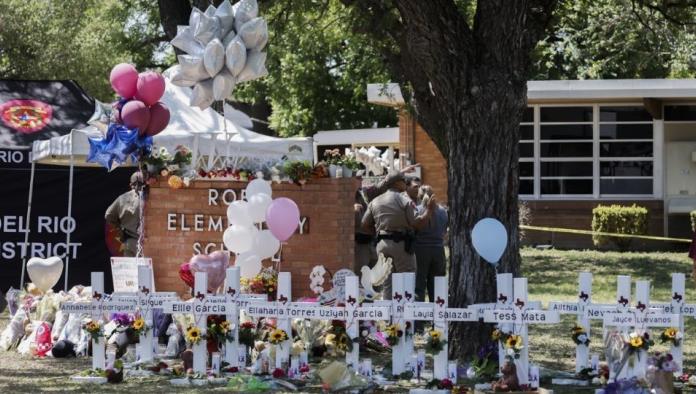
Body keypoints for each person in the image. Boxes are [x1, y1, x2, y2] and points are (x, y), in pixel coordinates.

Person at [361, 172, 435, 299]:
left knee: (387, 282)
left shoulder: (375, 201)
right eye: (403, 181)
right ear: (396, 183)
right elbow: (416, 224)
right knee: (407, 280)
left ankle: (389, 317)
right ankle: (406, 317)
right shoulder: (404, 200)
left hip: (382, 244)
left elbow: (364, 224)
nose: (406, 184)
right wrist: (429, 211)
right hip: (402, 245)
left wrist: (378, 233)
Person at [414, 185, 448, 303]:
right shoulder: (443, 211)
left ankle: (419, 318)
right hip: (438, 250)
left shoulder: (417, 210)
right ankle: (438, 317)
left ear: (419, 196)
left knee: (419, 285)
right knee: (437, 286)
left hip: (420, 251)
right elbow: (444, 231)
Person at [105, 171, 144, 257]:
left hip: (129, 241)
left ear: (130, 185)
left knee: (129, 269)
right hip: (144, 243)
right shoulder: (149, 197)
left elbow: (108, 214)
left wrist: (119, 227)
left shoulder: (122, 198)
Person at [354, 190, 377, 272]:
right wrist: (352, 211)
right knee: (361, 271)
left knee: (375, 273)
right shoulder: (347, 195)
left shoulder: (362, 194)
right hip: (359, 242)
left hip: (370, 240)